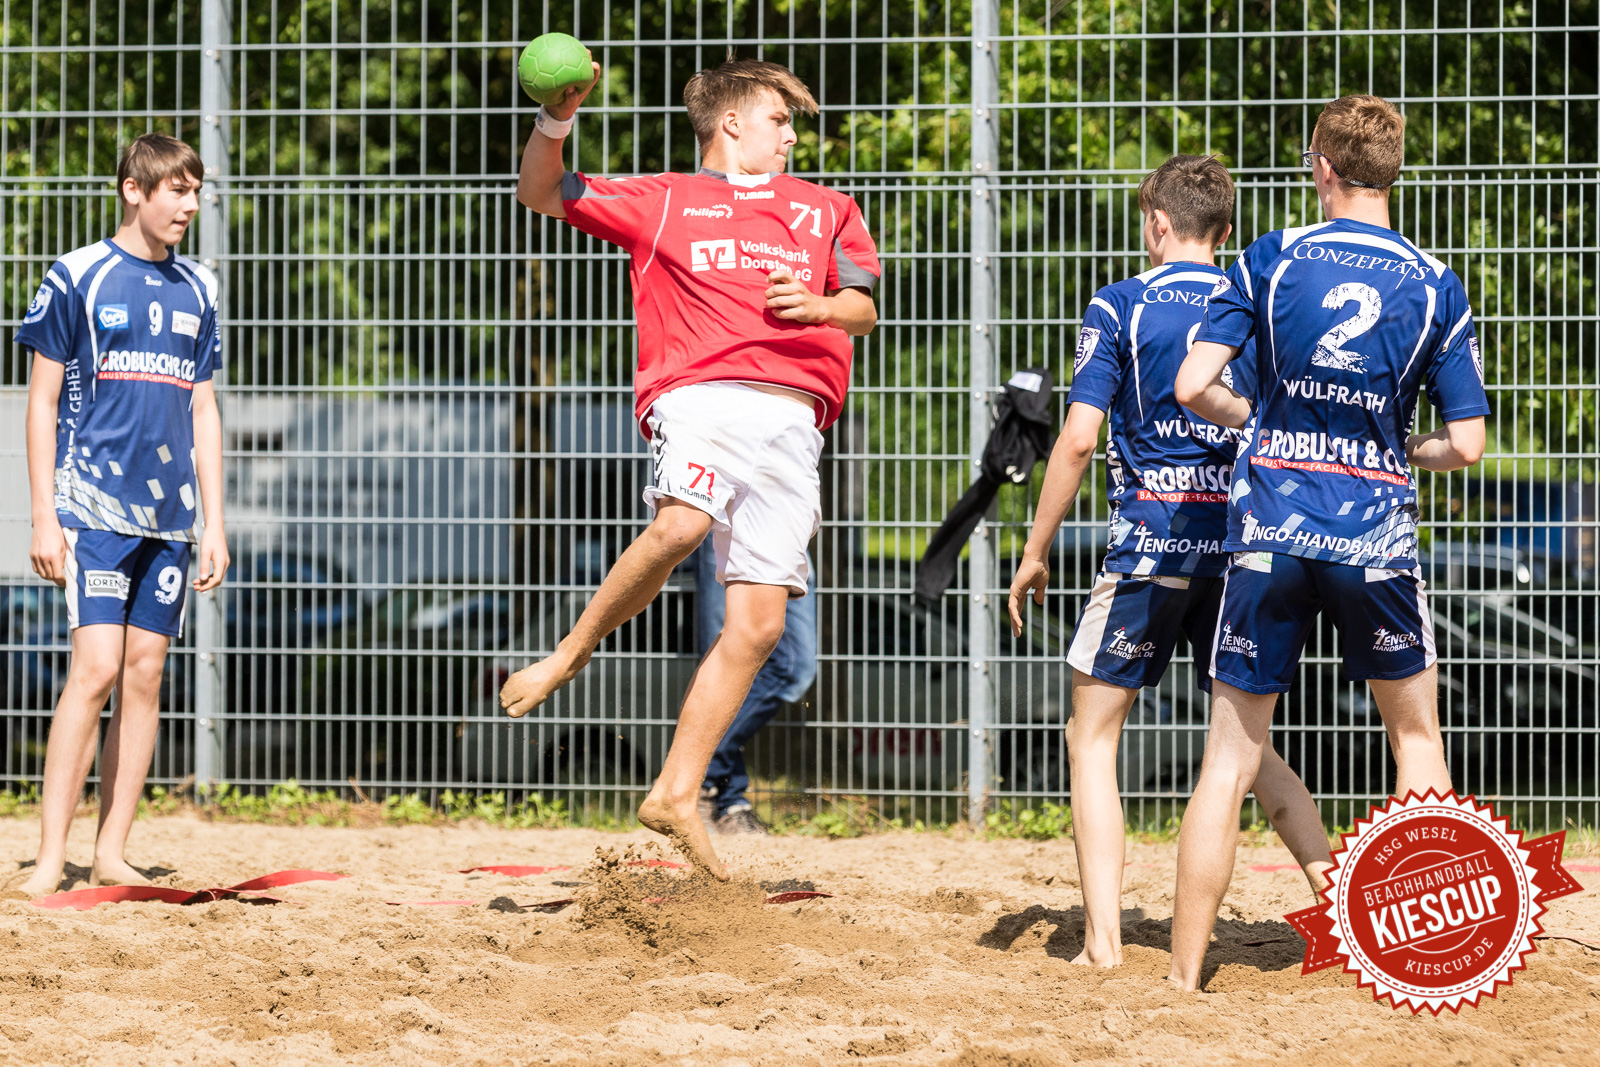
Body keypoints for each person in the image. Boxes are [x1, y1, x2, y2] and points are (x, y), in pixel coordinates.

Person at [500, 58, 879, 878]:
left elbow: (863, 306)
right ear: (732, 122)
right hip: (700, 394)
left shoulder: (826, 207)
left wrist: (818, 306)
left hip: (794, 418)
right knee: (682, 520)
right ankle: (571, 652)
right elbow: (542, 191)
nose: (790, 133)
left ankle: (677, 790)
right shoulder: (666, 198)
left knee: (762, 628)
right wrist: (556, 119)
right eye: (779, 118)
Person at [1168, 96, 1490, 990]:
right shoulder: (1435, 282)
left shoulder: (1272, 258)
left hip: (1271, 521)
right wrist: (1400, 449)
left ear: (1321, 166)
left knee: (1228, 760)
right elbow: (1465, 444)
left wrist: (1255, 418)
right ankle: (1429, 959)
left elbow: (1196, 383)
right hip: (1376, 530)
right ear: (1393, 170)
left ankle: (1183, 978)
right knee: (1416, 741)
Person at [1009, 155, 1333, 968]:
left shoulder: (1118, 305)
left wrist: (1035, 548)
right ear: (1224, 230)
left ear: (1156, 221)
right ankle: (1351, 912)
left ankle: (1105, 944)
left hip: (1151, 543)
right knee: (1248, 751)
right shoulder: (1255, 306)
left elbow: (1079, 438)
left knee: (1092, 736)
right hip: (1242, 545)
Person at [13, 133, 229, 896]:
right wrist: (43, 515)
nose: (191, 205)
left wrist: (216, 524)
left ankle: (110, 851)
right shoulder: (76, 275)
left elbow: (203, 408)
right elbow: (40, 405)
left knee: (146, 673)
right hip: (93, 507)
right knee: (97, 668)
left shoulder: (199, 287)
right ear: (134, 191)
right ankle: (47, 859)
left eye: (197, 191)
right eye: (178, 191)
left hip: (171, 519)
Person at [692, 541, 817, 835]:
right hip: (731, 530)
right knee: (725, 668)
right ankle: (726, 801)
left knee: (795, 668)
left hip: (788, 533)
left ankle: (697, 778)